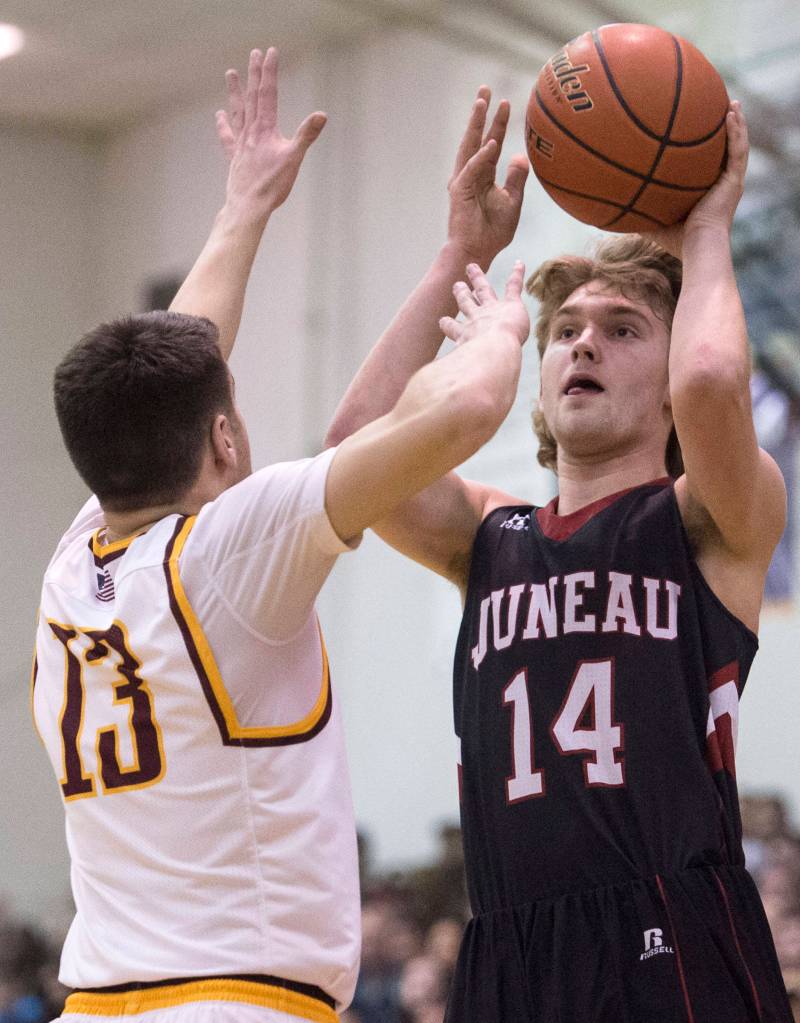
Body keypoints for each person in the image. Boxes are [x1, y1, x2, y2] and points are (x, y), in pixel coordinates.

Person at [32, 49, 530, 1023]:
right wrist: (497, 320)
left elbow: (179, 357)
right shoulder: (232, 547)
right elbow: (463, 411)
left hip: (95, 1005)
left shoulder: (77, 558)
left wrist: (245, 207)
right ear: (224, 434)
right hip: (235, 1006)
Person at [326, 95, 795, 1021]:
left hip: (669, 925)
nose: (583, 341)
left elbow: (708, 379)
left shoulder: (707, 518)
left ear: (663, 381)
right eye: (567, 330)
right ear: (539, 380)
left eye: (622, 330)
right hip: (505, 940)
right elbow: (354, 448)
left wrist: (703, 234)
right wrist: (456, 258)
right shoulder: (489, 537)